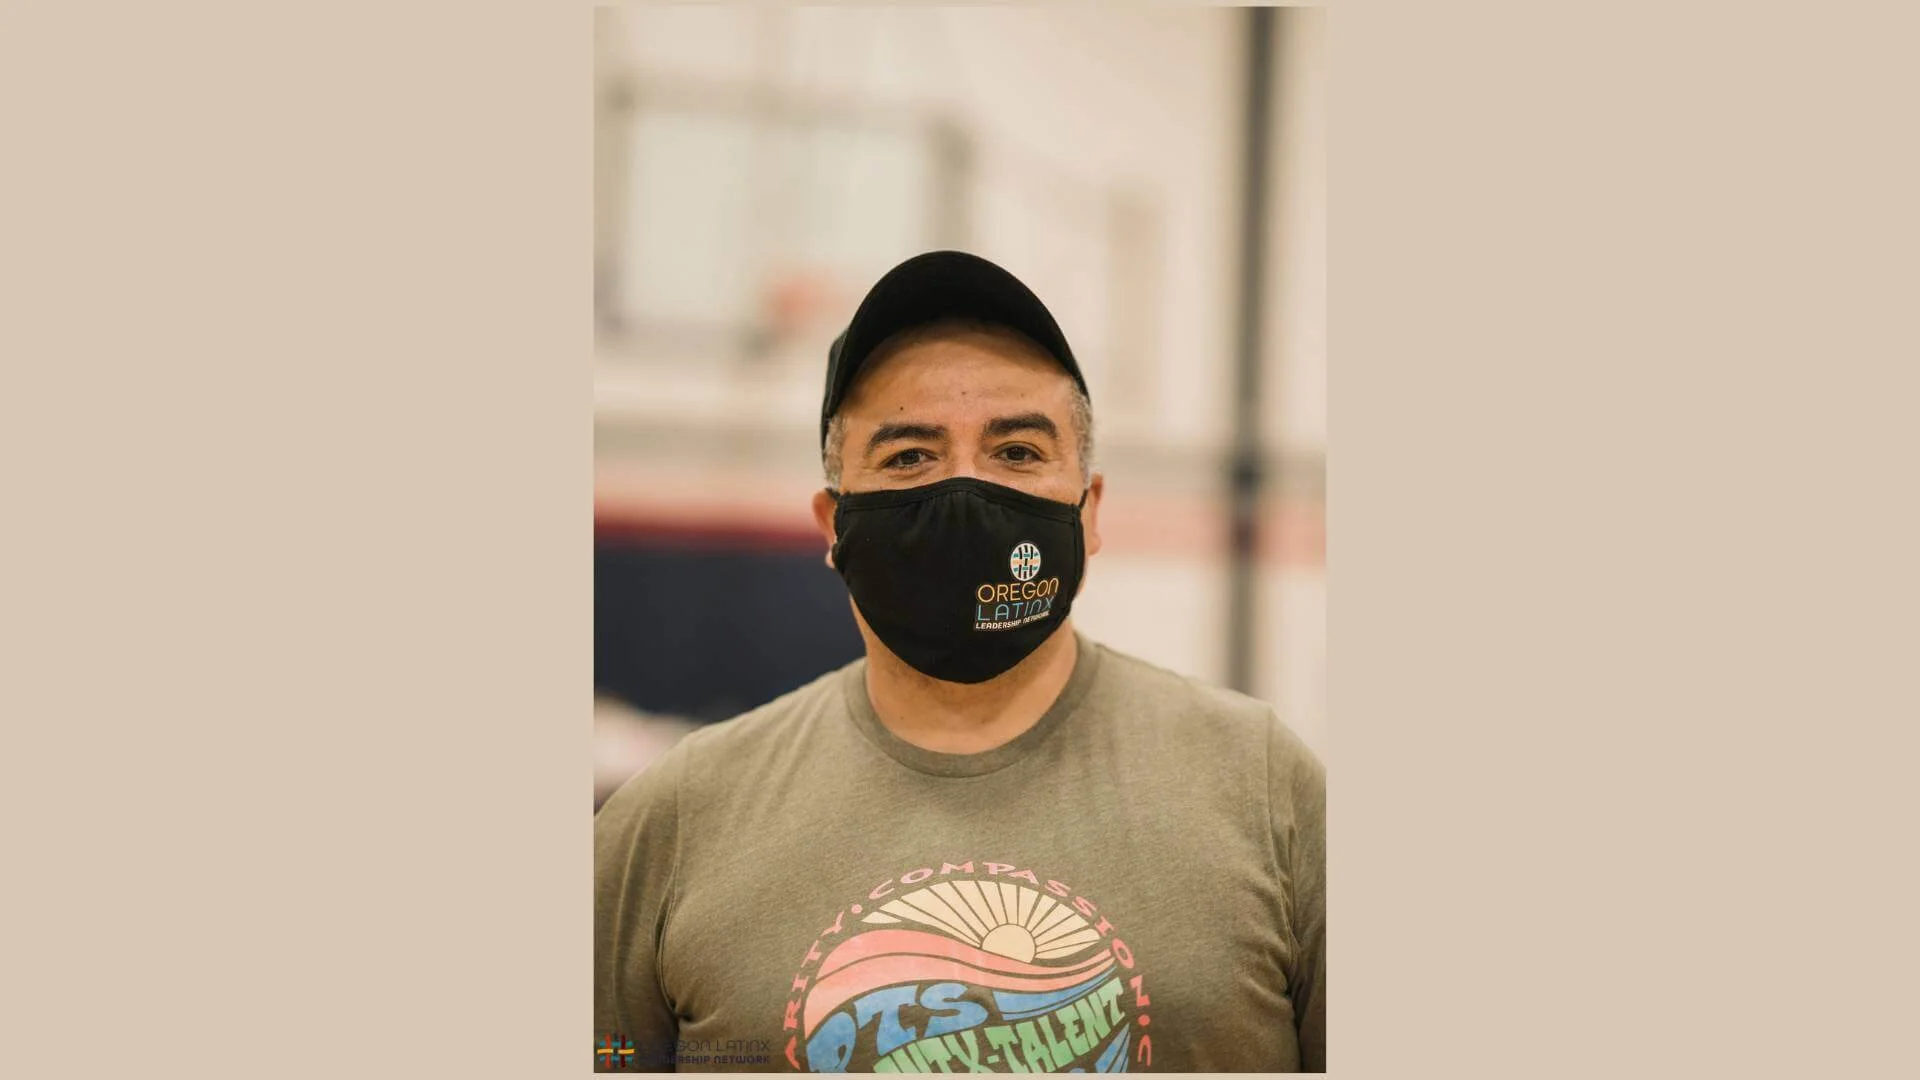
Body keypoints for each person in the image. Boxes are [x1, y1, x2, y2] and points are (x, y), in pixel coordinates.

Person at [594, 251, 1326, 1073]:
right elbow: (607, 1054)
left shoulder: (1265, 788)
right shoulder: (674, 821)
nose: (966, 492)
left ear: (1090, 512)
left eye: (1018, 451)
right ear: (833, 525)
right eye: (909, 456)